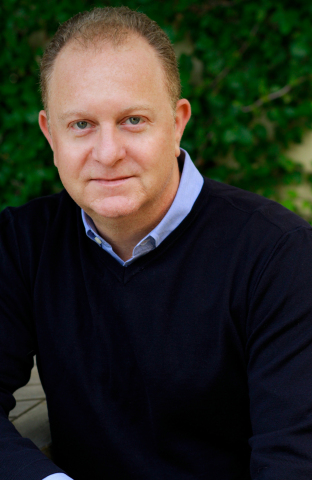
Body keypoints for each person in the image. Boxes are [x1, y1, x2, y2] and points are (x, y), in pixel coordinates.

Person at [1, 6, 312, 480]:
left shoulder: (278, 256)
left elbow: (295, 459)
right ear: (50, 133)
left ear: (177, 121)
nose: (107, 153)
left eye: (132, 120)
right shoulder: (22, 245)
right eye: (81, 124)